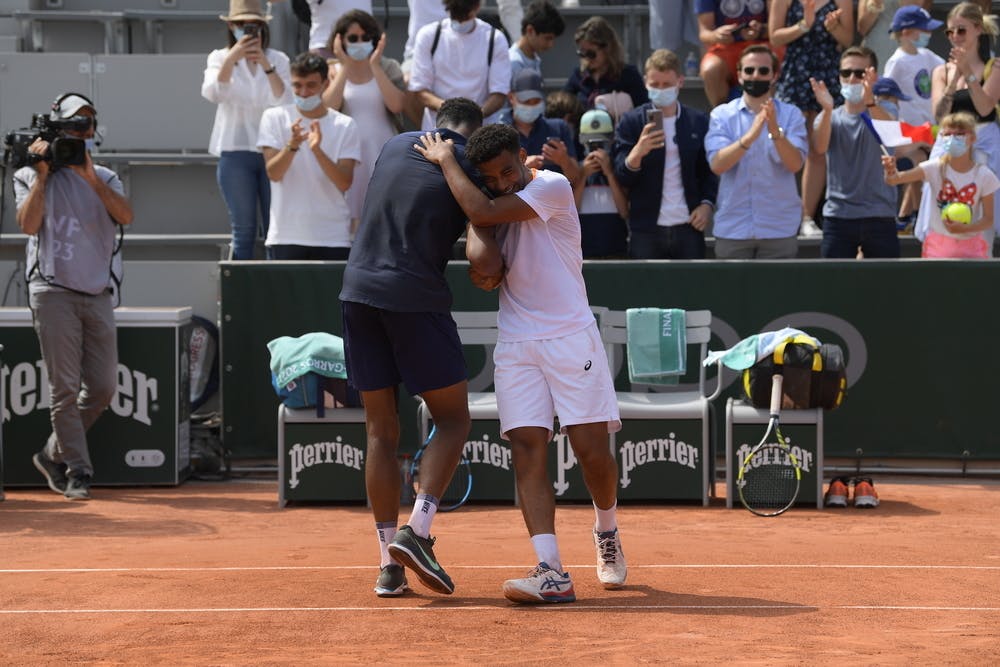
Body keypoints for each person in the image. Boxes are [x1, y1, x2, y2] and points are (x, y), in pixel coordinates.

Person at [415, 123, 626, 605]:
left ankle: (606, 529)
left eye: (510, 170)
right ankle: (551, 570)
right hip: (517, 343)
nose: (505, 180)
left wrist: (448, 160)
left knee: (591, 451)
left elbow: (481, 208)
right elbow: (485, 267)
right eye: (493, 177)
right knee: (529, 450)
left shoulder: (549, 185)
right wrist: (482, 224)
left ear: (524, 157)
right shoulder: (492, 206)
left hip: (572, 338)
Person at [339, 97, 484, 598]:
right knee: (454, 419)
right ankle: (417, 531)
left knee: (381, 429)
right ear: (474, 132)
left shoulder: (397, 143)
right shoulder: (470, 162)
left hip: (356, 290)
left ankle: (388, 565)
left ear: (436, 125)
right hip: (413, 295)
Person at [13, 92, 134, 501]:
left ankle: (51, 453)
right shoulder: (30, 175)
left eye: (85, 127)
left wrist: (90, 177)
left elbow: (126, 216)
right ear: (56, 130)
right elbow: (28, 226)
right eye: (71, 127)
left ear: (92, 133)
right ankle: (78, 471)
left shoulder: (105, 176)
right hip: (52, 289)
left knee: (100, 388)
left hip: (97, 289)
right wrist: (44, 174)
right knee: (63, 387)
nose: (79, 134)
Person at [202, 0, 291, 260]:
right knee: (243, 230)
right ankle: (241, 295)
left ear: (263, 27)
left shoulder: (278, 59)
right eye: (241, 24)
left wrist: (264, 63)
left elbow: (284, 101)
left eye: (253, 25)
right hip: (235, 150)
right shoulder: (219, 57)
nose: (247, 30)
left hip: (272, 150)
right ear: (231, 26)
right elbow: (213, 93)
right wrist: (233, 57)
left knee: (275, 229)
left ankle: (275, 290)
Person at [613, 48, 718, 259]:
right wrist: (638, 152)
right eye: (655, 85)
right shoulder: (631, 122)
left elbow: (709, 171)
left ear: (680, 82)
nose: (661, 90)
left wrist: (707, 205)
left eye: (667, 85)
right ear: (645, 82)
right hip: (646, 228)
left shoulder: (698, 121)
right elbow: (621, 174)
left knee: (691, 290)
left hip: (689, 225)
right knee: (645, 291)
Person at [705, 45, 807, 259]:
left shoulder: (791, 115)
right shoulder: (721, 115)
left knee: (778, 293)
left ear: (774, 76)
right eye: (749, 71)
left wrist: (775, 132)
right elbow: (717, 164)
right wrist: (750, 136)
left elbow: (795, 164)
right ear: (739, 75)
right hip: (733, 229)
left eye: (763, 71)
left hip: (779, 229)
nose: (756, 76)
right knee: (732, 294)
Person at [258, 53, 360, 259]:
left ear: (325, 83)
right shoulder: (273, 118)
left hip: (333, 237)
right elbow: (274, 173)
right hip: (285, 236)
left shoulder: (345, 125)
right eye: (297, 85)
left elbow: (344, 182)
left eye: (311, 85)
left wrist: (317, 150)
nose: (304, 92)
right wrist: (292, 145)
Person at [771, 0, 854, 238]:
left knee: (818, 148)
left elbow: (847, 40)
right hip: (795, 72)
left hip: (827, 71)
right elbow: (775, 37)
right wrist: (803, 25)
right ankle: (783, 215)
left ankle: (807, 217)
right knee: (786, 145)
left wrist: (833, 28)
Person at [811, 47, 900, 259]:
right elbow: (820, 147)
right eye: (846, 73)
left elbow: (889, 135)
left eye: (860, 74)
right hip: (838, 217)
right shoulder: (829, 115)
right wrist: (827, 110)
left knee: (885, 289)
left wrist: (870, 101)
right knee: (835, 289)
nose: (852, 79)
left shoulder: (887, 109)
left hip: (880, 215)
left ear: (873, 76)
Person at [321, 9, 406, 229]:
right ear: (340, 40)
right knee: (348, 219)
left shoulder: (388, 67)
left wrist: (375, 65)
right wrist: (344, 65)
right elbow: (328, 107)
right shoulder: (331, 70)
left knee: (383, 215)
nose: (360, 42)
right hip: (347, 155)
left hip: (383, 152)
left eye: (365, 37)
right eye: (353, 38)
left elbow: (397, 105)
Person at [922, 2, 1000, 237]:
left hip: (983, 148)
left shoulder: (994, 67)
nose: (955, 37)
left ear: (978, 29)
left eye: (961, 30)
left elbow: (985, 107)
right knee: (940, 221)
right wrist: (955, 75)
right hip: (948, 149)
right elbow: (939, 115)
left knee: (979, 224)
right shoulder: (941, 72)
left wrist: (969, 74)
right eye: (950, 31)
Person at [883, 111, 1000, 258]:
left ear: (972, 138)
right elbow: (894, 180)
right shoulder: (934, 168)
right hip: (937, 248)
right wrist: (890, 170)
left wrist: (964, 229)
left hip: (973, 248)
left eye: (959, 134)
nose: (952, 139)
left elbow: (988, 220)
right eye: (947, 134)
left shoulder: (984, 175)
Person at [408, 0, 512, 130]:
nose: (461, 20)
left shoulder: (495, 39)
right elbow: (420, 91)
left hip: (481, 134)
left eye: (465, 14)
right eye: (456, 12)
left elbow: (499, 94)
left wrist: (470, 117)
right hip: (437, 134)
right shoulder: (428, 35)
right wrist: (455, 114)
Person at [500, 68, 580, 182]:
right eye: (526, 101)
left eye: (536, 101)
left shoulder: (558, 128)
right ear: (511, 97)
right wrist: (521, 169)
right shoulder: (497, 132)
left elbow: (576, 180)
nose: (531, 106)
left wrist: (564, 161)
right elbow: (494, 184)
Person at [695, 0, 774, 108]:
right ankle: (722, 117)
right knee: (711, 70)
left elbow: (777, 28)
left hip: (763, 46)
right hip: (725, 48)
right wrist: (717, 35)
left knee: (772, 65)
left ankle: (773, 115)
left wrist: (761, 30)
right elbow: (704, 33)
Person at [564, 16, 648, 118]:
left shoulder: (628, 75)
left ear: (608, 49)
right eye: (582, 53)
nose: (586, 58)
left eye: (591, 53)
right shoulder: (578, 76)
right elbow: (563, 108)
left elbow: (643, 111)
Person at [575, 108, 629, 258]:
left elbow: (624, 211)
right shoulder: (576, 170)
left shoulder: (618, 168)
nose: (596, 150)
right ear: (581, 140)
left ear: (611, 140)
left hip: (615, 249)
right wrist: (583, 175)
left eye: (601, 144)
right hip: (583, 252)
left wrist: (610, 174)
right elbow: (571, 211)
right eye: (591, 144)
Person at [857, 0, 932, 74]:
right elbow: (862, 29)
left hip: (908, 54)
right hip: (876, 55)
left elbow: (918, 15)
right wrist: (876, 3)